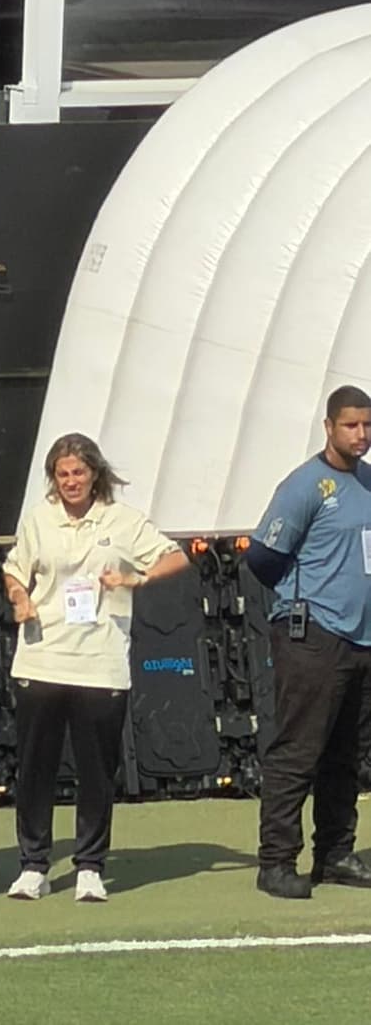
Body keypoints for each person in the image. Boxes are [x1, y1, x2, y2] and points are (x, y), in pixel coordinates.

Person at [2, 432, 189, 902]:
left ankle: (90, 866)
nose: (70, 481)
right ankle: (33, 865)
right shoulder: (39, 520)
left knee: (96, 770)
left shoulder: (122, 520)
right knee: (35, 768)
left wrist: (136, 578)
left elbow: (176, 556)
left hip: (101, 663)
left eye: (78, 472)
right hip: (42, 658)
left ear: (94, 475)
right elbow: (14, 568)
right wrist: (19, 595)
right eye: (62, 474)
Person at [247, 385, 371, 899]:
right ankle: (276, 863)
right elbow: (262, 557)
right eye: (350, 425)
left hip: (361, 639)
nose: (360, 435)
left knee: (347, 753)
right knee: (298, 751)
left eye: (366, 426)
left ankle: (335, 854)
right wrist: (307, 599)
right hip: (313, 636)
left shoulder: (367, 481)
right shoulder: (305, 485)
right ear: (328, 427)